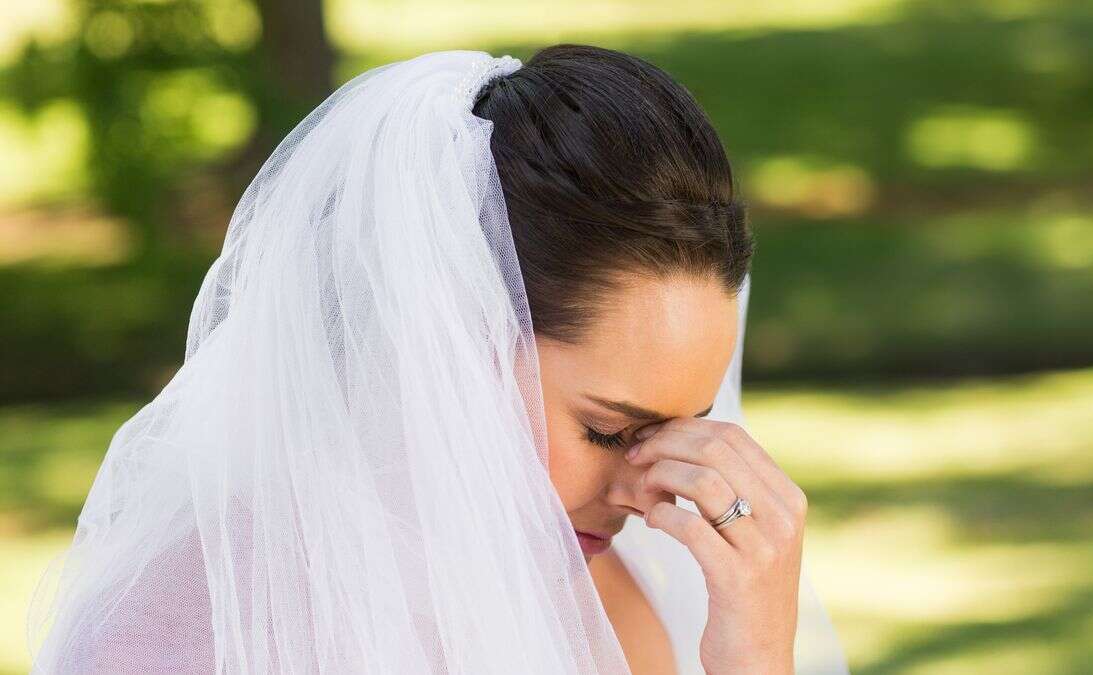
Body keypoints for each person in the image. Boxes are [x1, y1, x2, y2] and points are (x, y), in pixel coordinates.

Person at [26, 46, 848, 674]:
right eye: (607, 431)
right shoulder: (181, 625)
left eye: (686, 432)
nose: (649, 489)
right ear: (450, 335)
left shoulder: (609, 614)